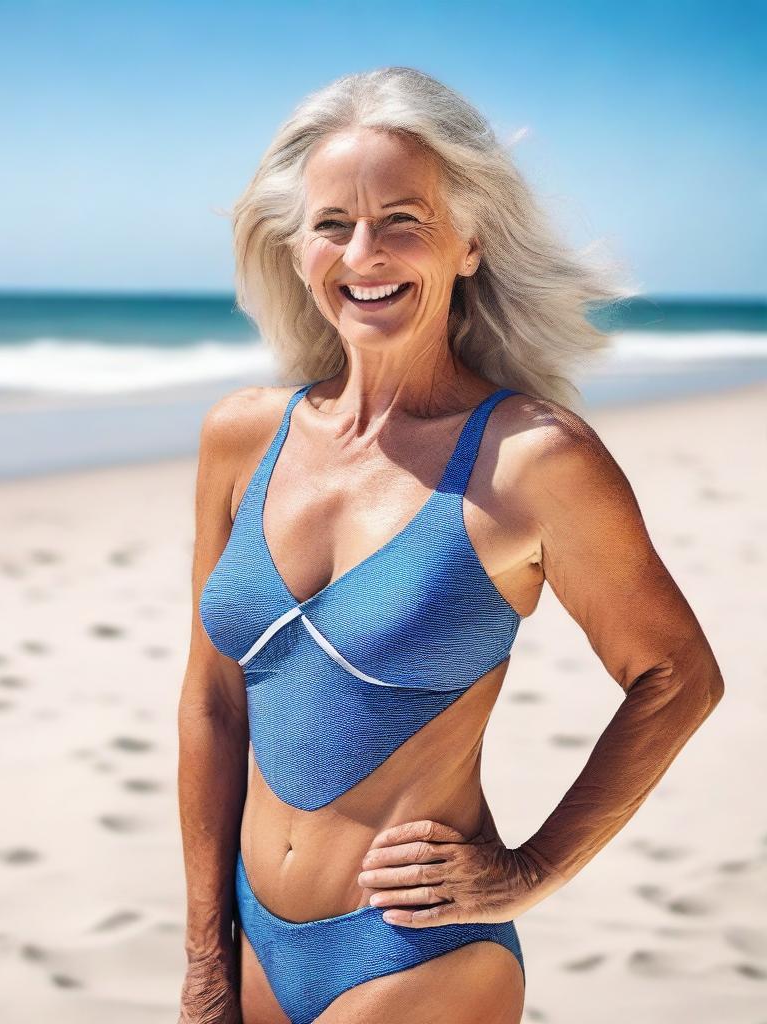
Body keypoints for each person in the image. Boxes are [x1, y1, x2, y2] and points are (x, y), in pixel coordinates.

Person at [177, 67, 724, 1024]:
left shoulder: (531, 461)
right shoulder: (241, 436)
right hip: (252, 942)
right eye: (333, 223)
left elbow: (679, 676)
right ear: (297, 245)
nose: (364, 252)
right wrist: (204, 958)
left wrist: (534, 870)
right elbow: (213, 703)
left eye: (403, 219)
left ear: (469, 242)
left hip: (417, 955)